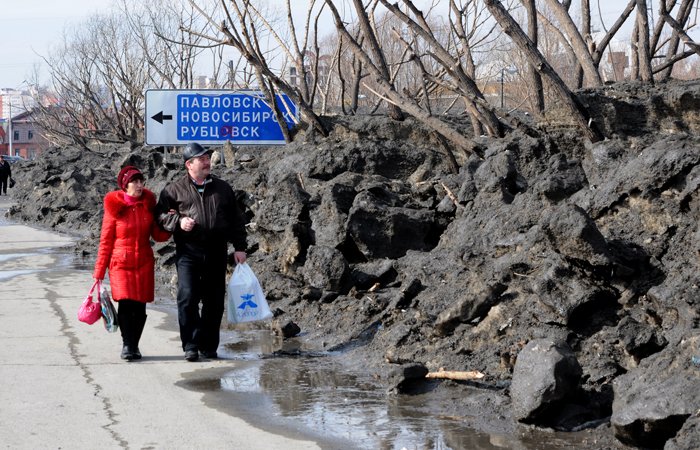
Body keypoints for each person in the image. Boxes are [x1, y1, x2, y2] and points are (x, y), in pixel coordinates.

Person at [156, 143, 248, 362]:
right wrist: (178, 221)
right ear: (189, 164)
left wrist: (240, 248)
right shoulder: (173, 189)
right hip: (188, 252)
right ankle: (190, 345)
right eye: (202, 159)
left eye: (207, 157)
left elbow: (236, 220)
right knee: (187, 297)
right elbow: (159, 216)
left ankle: (208, 346)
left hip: (217, 251)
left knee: (214, 301)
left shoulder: (223, 188)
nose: (207, 161)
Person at [93, 166, 171, 361]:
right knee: (127, 305)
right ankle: (127, 345)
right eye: (134, 182)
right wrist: (99, 272)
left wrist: (170, 224)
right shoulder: (114, 208)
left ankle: (134, 344)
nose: (139, 185)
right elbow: (106, 241)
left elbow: (158, 235)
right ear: (125, 185)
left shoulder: (148, 204)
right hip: (121, 262)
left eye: (140, 181)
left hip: (144, 261)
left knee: (140, 308)